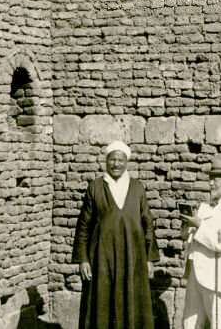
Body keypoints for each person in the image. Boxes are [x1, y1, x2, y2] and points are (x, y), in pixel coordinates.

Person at [72, 140, 160, 329]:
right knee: (101, 304)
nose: (116, 164)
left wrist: (149, 258)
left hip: (133, 257)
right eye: (112, 160)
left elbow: (147, 224)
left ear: (126, 162)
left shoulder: (137, 188)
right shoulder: (95, 187)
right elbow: (83, 226)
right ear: (106, 161)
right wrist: (83, 259)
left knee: (132, 302)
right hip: (101, 258)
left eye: (120, 160)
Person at [180, 157, 221, 329]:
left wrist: (199, 225)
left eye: (214, 180)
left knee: (218, 325)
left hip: (216, 277)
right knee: (189, 323)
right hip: (196, 272)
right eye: (210, 179)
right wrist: (187, 226)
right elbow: (189, 237)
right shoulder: (205, 207)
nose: (210, 184)